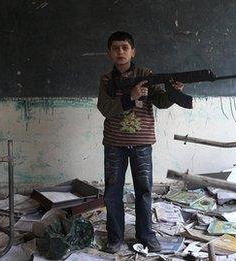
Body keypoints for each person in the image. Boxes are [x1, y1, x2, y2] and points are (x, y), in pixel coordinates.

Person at [97, 31, 187, 253]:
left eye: (125, 47)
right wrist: (131, 96)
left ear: (133, 51)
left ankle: (146, 235)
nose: (120, 52)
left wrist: (173, 93)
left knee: (144, 191)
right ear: (109, 53)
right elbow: (105, 109)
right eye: (116, 48)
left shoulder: (146, 74)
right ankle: (115, 238)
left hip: (142, 143)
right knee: (112, 192)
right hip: (114, 144)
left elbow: (161, 102)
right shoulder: (106, 80)